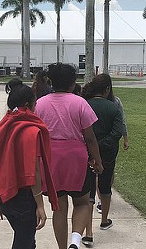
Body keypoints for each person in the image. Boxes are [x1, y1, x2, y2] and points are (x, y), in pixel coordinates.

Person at [0, 79, 59, 249]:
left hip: (5, 196)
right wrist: (40, 205)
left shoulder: (0, 129)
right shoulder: (32, 131)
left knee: (27, 240)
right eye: (35, 103)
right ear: (28, 104)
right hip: (24, 198)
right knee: (23, 243)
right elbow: (34, 172)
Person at [34, 63, 104, 249]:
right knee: (81, 202)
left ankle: (62, 248)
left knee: (59, 207)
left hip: (51, 159)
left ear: (51, 82)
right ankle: (75, 241)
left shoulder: (40, 104)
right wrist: (97, 160)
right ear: (73, 83)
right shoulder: (80, 103)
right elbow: (90, 137)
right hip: (76, 158)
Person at [80, 74, 128, 246]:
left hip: (87, 153)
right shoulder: (113, 108)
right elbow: (117, 133)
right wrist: (102, 144)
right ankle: (104, 219)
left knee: (88, 191)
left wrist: (93, 147)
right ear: (107, 89)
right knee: (105, 186)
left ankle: (88, 231)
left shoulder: (84, 105)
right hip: (108, 154)